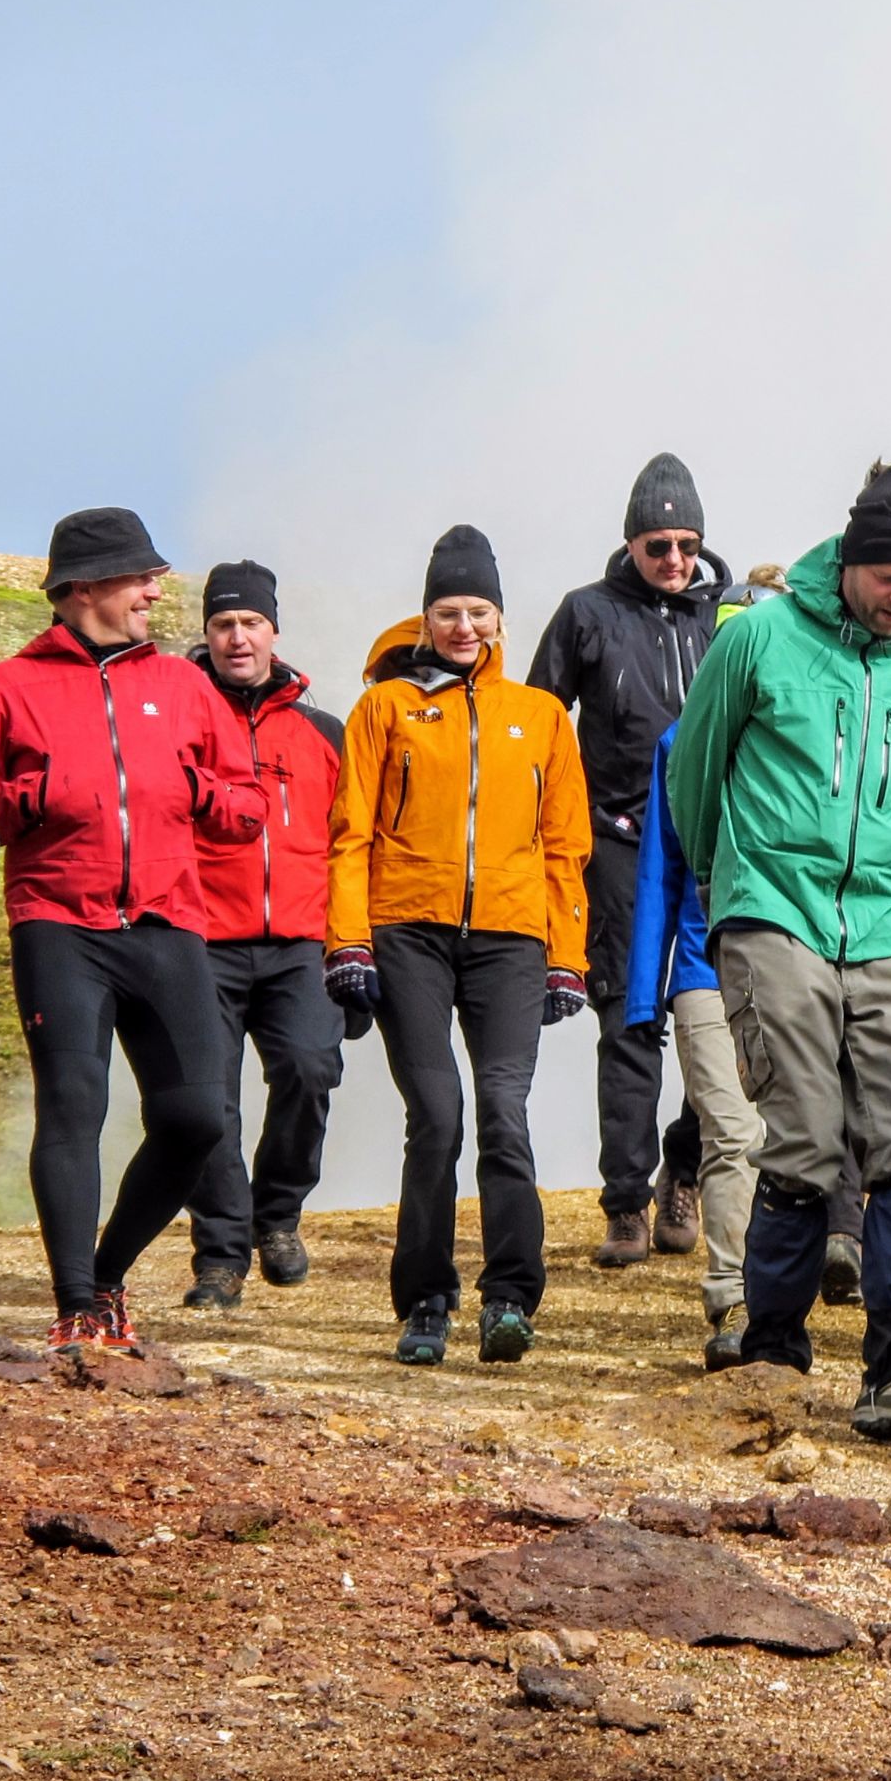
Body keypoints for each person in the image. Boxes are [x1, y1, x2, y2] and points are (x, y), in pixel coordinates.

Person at [668, 461, 891, 1443]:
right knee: (805, 1135)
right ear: (849, 559)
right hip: (773, 909)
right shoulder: (756, 640)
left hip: (890, 928)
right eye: (889, 577)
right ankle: (771, 1354)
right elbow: (694, 775)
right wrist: (729, 895)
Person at [0, 508, 266, 1351]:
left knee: (197, 1119)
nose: (153, 592)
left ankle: (106, 1274)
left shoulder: (183, 684)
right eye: (140, 578)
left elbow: (247, 806)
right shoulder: (3, 689)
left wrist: (196, 791)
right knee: (73, 1108)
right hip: (58, 923)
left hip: (168, 924)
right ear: (85, 587)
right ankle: (76, 1304)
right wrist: (35, 795)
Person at [327, 526, 592, 1366]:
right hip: (406, 931)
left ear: (500, 618)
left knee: (504, 1115)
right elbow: (349, 834)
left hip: (512, 938)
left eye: (478, 611)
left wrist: (567, 955)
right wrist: (348, 942)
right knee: (436, 1115)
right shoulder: (383, 709)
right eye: (448, 611)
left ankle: (510, 1297)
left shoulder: (540, 717)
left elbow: (565, 846)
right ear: (426, 617)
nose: (464, 626)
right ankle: (425, 1300)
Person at [528, 455, 725, 1269]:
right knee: (628, 1020)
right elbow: (539, 726)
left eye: (686, 544)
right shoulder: (587, 612)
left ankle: (686, 1164)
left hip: (712, 845)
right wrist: (555, 832)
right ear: (630, 543)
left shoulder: (729, 620)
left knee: (721, 1019)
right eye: (656, 545)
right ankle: (625, 1205)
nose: (673, 559)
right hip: (616, 840)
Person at [180, 559, 350, 1310]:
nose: (237, 637)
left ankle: (276, 1214)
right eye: (223, 624)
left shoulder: (323, 731)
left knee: (311, 1070)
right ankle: (219, 1257)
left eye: (251, 622)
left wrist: (355, 946)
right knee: (208, 1103)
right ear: (206, 633)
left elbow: (351, 841)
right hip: (201, 943)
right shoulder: (178, 719)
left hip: (301, 941)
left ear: (274, 631)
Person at [625, 577, 779, 1371]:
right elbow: (659, 870)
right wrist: (639, 995)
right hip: (702, 969)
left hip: (793, 967)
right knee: (733, 1132)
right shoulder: (678, 742)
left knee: (790, 1139)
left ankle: (779, 1297)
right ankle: (732, 1297)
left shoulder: (812, 740)